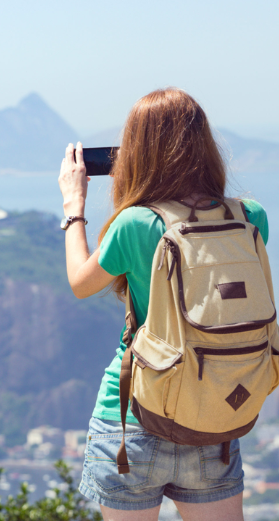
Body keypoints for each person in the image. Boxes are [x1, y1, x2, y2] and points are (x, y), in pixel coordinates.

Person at [58, 88, 268, 521]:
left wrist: (73, 206)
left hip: (132, 416)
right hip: (215, 410)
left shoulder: (136, 223)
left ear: (136, 152)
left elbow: (80, 282)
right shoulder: (250, 217)